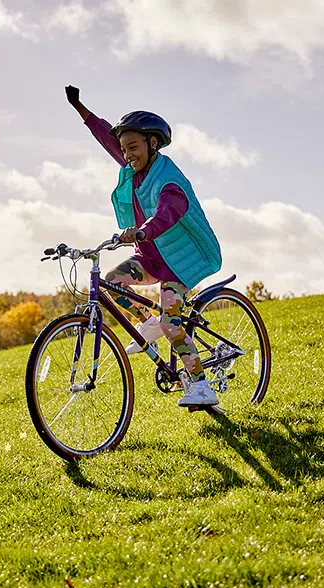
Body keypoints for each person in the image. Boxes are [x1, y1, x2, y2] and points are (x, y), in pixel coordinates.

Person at [65, 84, 223, 407]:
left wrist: (143, 231)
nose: (126, 155)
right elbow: (107, 139)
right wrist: (80, 109)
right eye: (124, 150)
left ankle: (203, 386)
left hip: (178, 261)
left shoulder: (168, 178)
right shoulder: (133, 168)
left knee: (172, 322)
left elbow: (169, 212)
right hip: (149, 256)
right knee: (113, 282)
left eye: (133, 148)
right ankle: (146, 323)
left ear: (153, 144)